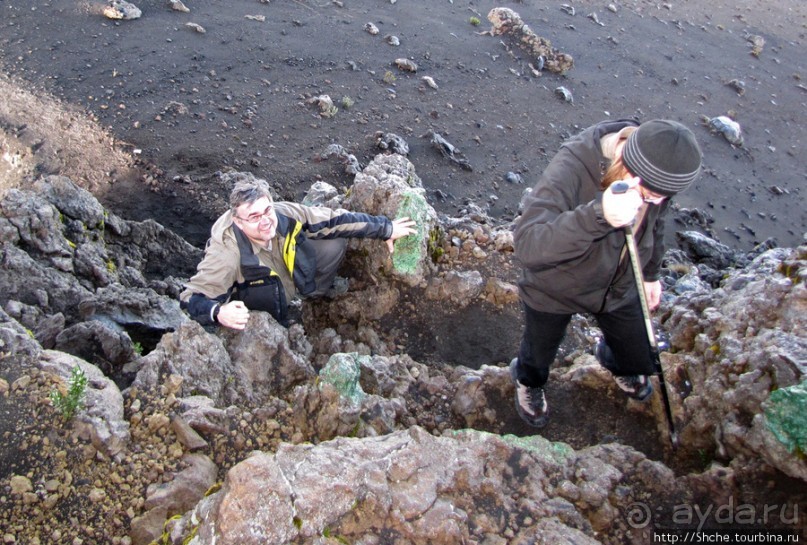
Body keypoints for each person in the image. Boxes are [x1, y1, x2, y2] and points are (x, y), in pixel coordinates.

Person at [510, 118, 702, 428]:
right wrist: (600, 215)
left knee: (636, 352)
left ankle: (615, 361)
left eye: (659, 198)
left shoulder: (659, 165)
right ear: (629, 165)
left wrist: (650, 274)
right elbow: (529, 243)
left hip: (621, 285)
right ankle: (528, 381)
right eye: (649, 195)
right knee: (539, 349)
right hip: (555, 286)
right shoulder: (575, 163)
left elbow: (657, 223)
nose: (652, 202)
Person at [180, 177, 416, 329]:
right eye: (254, 217)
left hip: (288, 277)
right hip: (259, 308)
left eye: (266, 211)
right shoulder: (227, 253)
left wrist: (386, 228)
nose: (264, 222)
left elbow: (333, 219)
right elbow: (191, 298)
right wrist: (219, 312)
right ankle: (280, 322)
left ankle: (313, 296)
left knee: (334, 243)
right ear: (238, 222)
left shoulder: (282, 214)